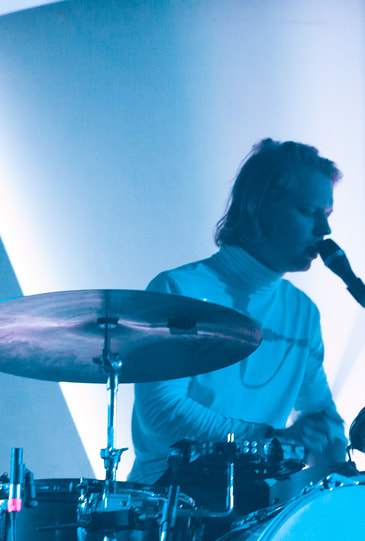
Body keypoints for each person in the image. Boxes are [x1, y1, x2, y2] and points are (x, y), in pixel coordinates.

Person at [128, 139, 349, 515]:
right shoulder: (178, 289)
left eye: (327, 213)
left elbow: (317, 411)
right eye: (308, 211)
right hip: (169, 504)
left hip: (256, 509)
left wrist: (333, 448)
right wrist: (268, 441)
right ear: (257, 207)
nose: (324, 229)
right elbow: (161, 411)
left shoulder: (302, 312)